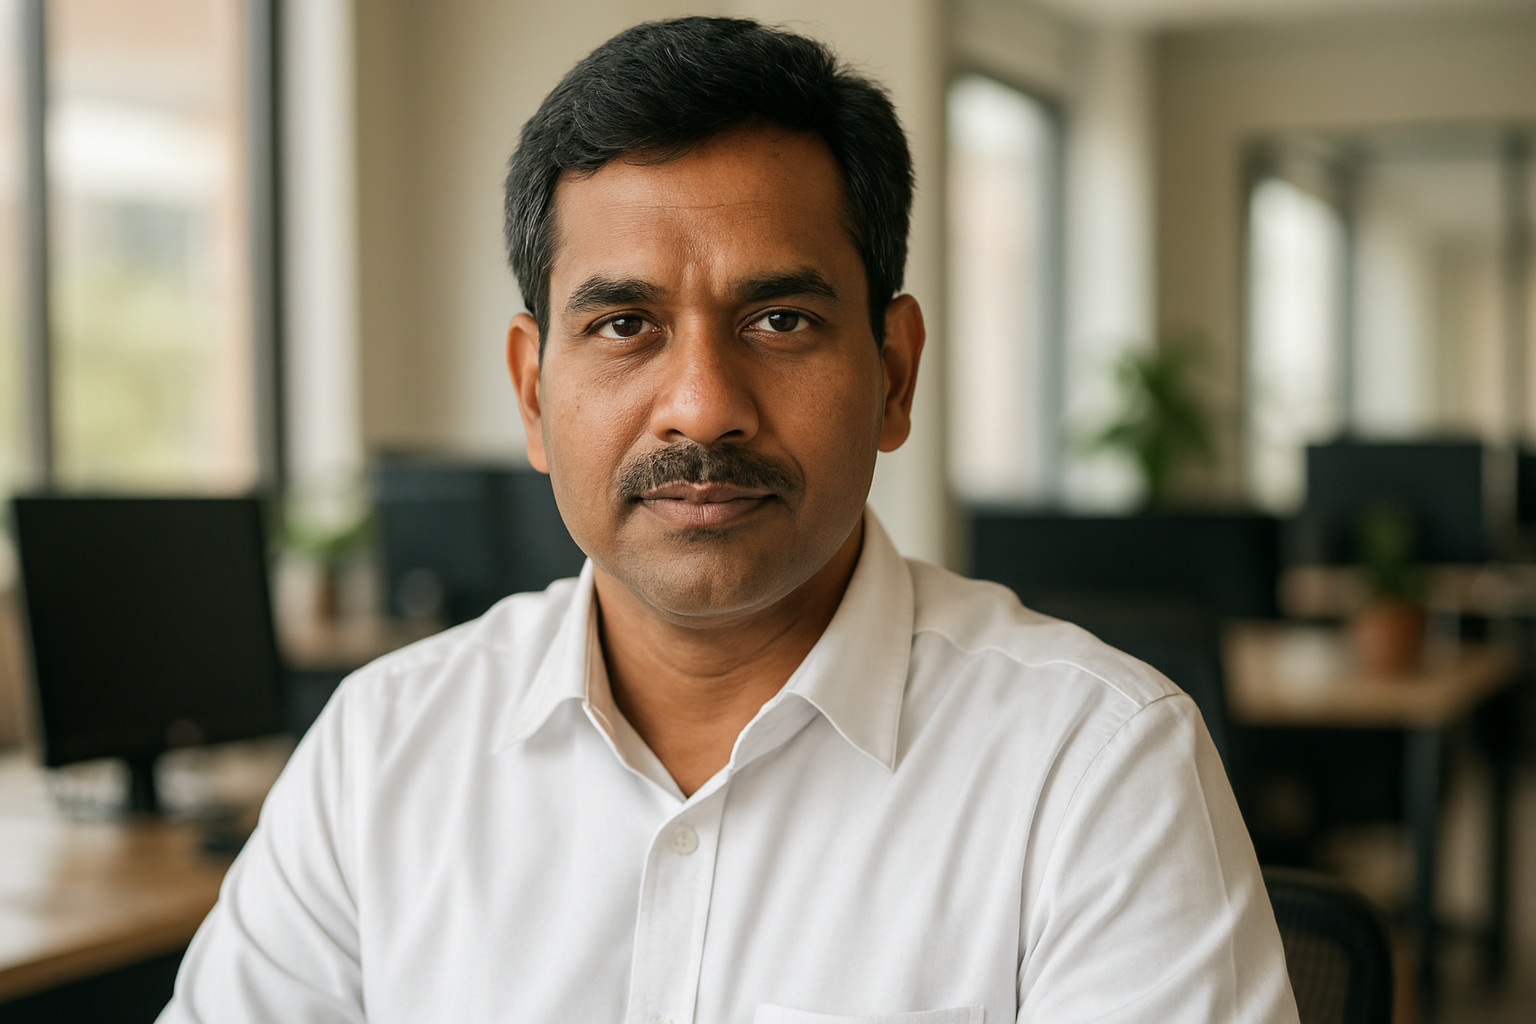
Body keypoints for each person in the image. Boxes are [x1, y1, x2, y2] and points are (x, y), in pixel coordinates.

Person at [160, 17, 1298, 1024]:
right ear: (532, 395)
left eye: (782, 319)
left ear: (894, 374)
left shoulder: (1094, 768)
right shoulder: (382, 752)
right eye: (623, 326)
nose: (702, 404)